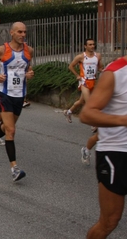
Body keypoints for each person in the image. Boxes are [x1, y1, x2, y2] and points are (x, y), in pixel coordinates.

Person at [79, 55, 127, 239]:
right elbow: (87, 114)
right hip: (116, 153)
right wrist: (123, 120)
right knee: (110, 221)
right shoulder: (115, 72)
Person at [0, 22, 34, 182]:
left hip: (19, 94)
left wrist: (29, 74)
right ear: (12, 33)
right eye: (19, 32)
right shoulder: (1, 50)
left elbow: (27, 69)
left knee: (6, 127)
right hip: (4, 93)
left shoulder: (29, 51)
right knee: (11, 130)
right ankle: (15, 169)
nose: (23, 35)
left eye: (25, 32)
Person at [63, 39, 102, 123]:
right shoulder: (81, 57)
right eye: (90, 45)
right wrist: (77, 76)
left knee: (81, 101)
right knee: (89, 103)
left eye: (93, 44)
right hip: (84, 82)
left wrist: (105, 71)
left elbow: (99, 67)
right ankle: (94, 124)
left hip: (93, 81)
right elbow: (70, 66)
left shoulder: (97, 56)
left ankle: (68, 112)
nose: (92, 46)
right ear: (85, 46)